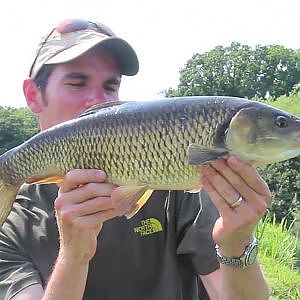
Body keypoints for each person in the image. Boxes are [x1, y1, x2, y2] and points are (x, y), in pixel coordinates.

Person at [0, 18, 270, 300]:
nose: (98, 101)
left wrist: (237, 245)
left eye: (110, 86)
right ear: (33, 95)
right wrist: (74, 258)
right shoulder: (12, 222)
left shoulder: (175, 181)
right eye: (77, 83)